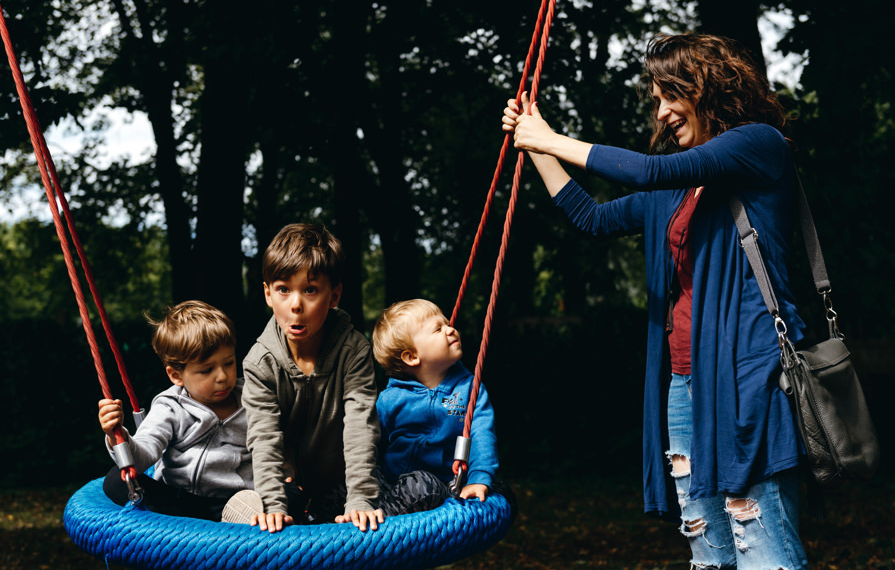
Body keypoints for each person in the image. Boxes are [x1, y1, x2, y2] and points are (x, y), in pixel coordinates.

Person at [502, 33, 808, 569]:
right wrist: (536, 147)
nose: (662, 112)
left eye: (671, 94)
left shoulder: (759, 145)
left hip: (748, 381)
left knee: (761, 547)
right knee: (708, 552)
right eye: (656, 99)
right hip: (687, 385)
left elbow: (647, 169)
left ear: (708, 88)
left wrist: (551, 137)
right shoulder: (677, 189)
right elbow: (591, 218)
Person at [242, 223, 382, 533]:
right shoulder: (260, 362)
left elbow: (361, 425)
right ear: (267, 293)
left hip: (344, 484)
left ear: (334, 296)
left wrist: (361, 498)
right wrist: (272, 504)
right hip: (291, 490)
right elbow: (263, 437)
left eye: (310, 290)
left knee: (383, 509)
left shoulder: (353, 350)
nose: (295, 304)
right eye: (283, 289)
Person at [97, 300, 262, 523]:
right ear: (176, 376)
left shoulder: (251, 399)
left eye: (229, 363)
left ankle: (237, 517)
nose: (222, 376)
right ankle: (169, 521)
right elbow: (143, 454)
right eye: (207, 370)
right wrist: (116, 436)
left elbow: (273, 443)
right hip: (178, 499)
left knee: (290, 494)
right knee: (116, 479)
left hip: (232, 501)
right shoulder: (170, 406)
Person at [372, 299, 499, 508]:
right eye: (438, 329)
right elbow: (374, 444)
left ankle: (384, 521)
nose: (450, 330)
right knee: (348, 480)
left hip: (438, 486)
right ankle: (324, 519)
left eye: (447, 324)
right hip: (391, 480)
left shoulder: (469, 389)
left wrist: (479, 477)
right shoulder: (390, 399)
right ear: (412, 357)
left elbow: (482, 434)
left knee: (421, 484)